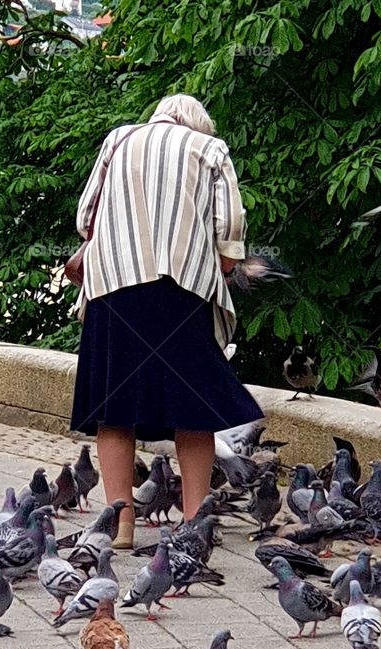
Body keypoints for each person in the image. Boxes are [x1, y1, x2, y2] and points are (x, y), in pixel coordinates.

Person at [70, 93, 264, 548]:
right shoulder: (210, 150)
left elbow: (86, 218)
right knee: (193, 411)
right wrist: (225, 266)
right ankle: (195, 522)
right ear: (198, 124)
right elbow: (230, 229)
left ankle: (120, 526)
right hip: (182, 289)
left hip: (113, 285)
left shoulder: (118, 140)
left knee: (113, 412)